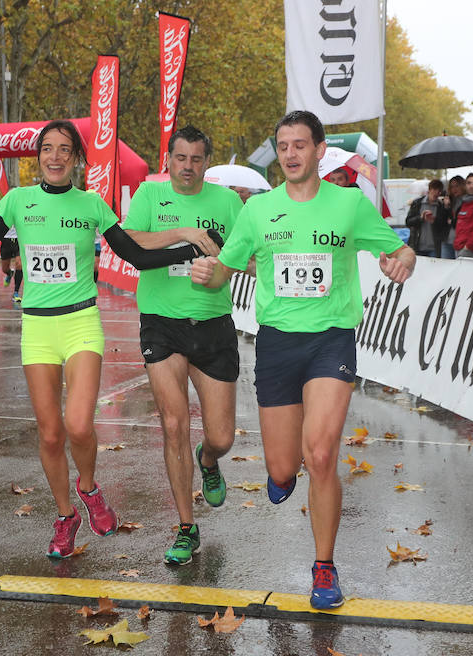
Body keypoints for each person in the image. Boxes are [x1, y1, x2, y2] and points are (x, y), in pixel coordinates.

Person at [0, 120, 215, 559]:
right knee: (49, 435)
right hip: (38, 328)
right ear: (39, 156)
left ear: (76, 159)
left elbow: (136, 255)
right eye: (48, 149)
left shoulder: (92, 206)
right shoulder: (17, 201)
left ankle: (88, 488)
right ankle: (66, 516)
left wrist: (190, 248)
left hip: (81, 321)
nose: (55, 157)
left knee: (80, 424)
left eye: (65, 150)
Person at [191, 110, 415, 609]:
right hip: (276, 344)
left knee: (321, 454)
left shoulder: (349, 204)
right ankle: (281, 475)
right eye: (283, 146)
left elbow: (400, 251)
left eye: (299, 145)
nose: (291, 154)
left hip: (330, 340)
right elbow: (226, 268)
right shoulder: (258, 210)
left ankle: (324, 567)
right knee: (284, 465)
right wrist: (207, 272)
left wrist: (402, 260)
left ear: (318, 151)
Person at [122, 126, 244, 566]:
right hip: (162, 324)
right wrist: (184, 233)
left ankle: (208, 461)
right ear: (167, 160)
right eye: (180, 158)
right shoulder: (149, 197)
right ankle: (186, 529)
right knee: (173, 424)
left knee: (222, 437)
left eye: (196, 159)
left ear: (206, 162)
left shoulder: (228, 202)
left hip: (212, 325)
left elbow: (248, 258)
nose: (187, 167)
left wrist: (221, 267)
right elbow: (129, 241)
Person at [405, 179, 448, 257]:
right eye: (434, 190)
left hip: (434, 247)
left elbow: (444, 226)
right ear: (429, 190)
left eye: (439, 191)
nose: (436, 193)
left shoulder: (441, 206)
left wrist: (434, 221)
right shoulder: (417, 203)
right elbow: (408, 222)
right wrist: (420, 218)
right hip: (417, 246)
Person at [436, 175, 465, 259]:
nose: (454, 189)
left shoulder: (466, 201)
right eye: (452, 187)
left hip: (460, 241)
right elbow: (441, 221)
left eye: (457, 186)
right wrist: (446, 207)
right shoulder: (448, 200)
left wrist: (452, 221)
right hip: (446, 240)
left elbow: (462, 221)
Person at [0, 236, 23, 304]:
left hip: (18, 240)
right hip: (6, 241)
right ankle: (9, 274)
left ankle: (16, 293)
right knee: (5, 269)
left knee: (19, 264)